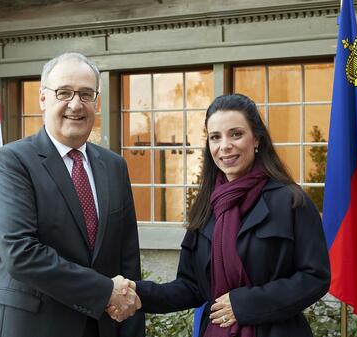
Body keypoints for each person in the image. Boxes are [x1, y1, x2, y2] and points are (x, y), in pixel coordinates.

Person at [118, 93, 330, 337]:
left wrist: (246, 304)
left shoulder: (292, 201)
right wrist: (136, 291)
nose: (225, 145)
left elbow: (316, 276)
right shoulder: (206, 207)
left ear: (257, 139)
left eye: (236, 134)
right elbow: (190, 287)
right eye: (215, 137)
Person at [0, 52, 144, 337]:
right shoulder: (12, 162)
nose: (75, 104)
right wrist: (105, 291)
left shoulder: (114, 166)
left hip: (101, 327)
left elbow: (127, 259)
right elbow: (21, 253)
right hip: (30, 327)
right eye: (64, 93)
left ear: (97, 101)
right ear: (43, 99)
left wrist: (130, 324)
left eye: (85, 94)